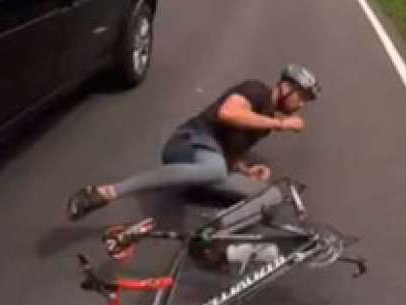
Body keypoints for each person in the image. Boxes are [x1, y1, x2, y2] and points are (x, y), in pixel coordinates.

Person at [67, 64, 320, 221]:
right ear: (286, 87)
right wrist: (282, 124)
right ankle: (105, 192)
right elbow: (228, 113)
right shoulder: (257, 91)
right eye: (302, 96)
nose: (302, 105)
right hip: (188, 142)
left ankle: (213, 240)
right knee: (214, 169)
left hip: (211, 161)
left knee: (271, 196)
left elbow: (231, 151)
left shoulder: (264, 123)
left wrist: (245, 170)